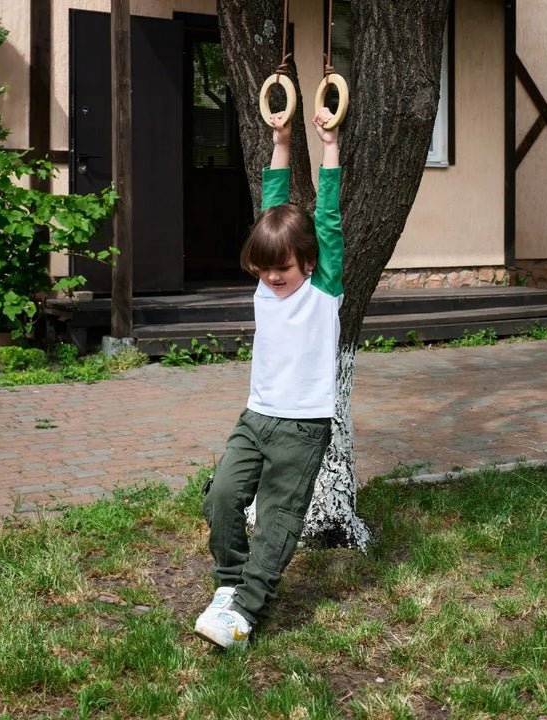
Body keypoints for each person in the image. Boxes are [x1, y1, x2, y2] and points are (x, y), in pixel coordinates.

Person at [194, 107, 343, 648]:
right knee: (222, 497)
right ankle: (229, 585)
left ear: (310, 262)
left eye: (282, 270)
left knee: (279, 519)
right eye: (264, 269)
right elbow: (273, 206)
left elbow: (326, 215)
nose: (272, 279)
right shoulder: (267, 284)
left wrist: (329, 145)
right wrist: (280, 139)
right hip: (257, 415)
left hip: (303, 426)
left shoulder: (322, 288)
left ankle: (247, 614)